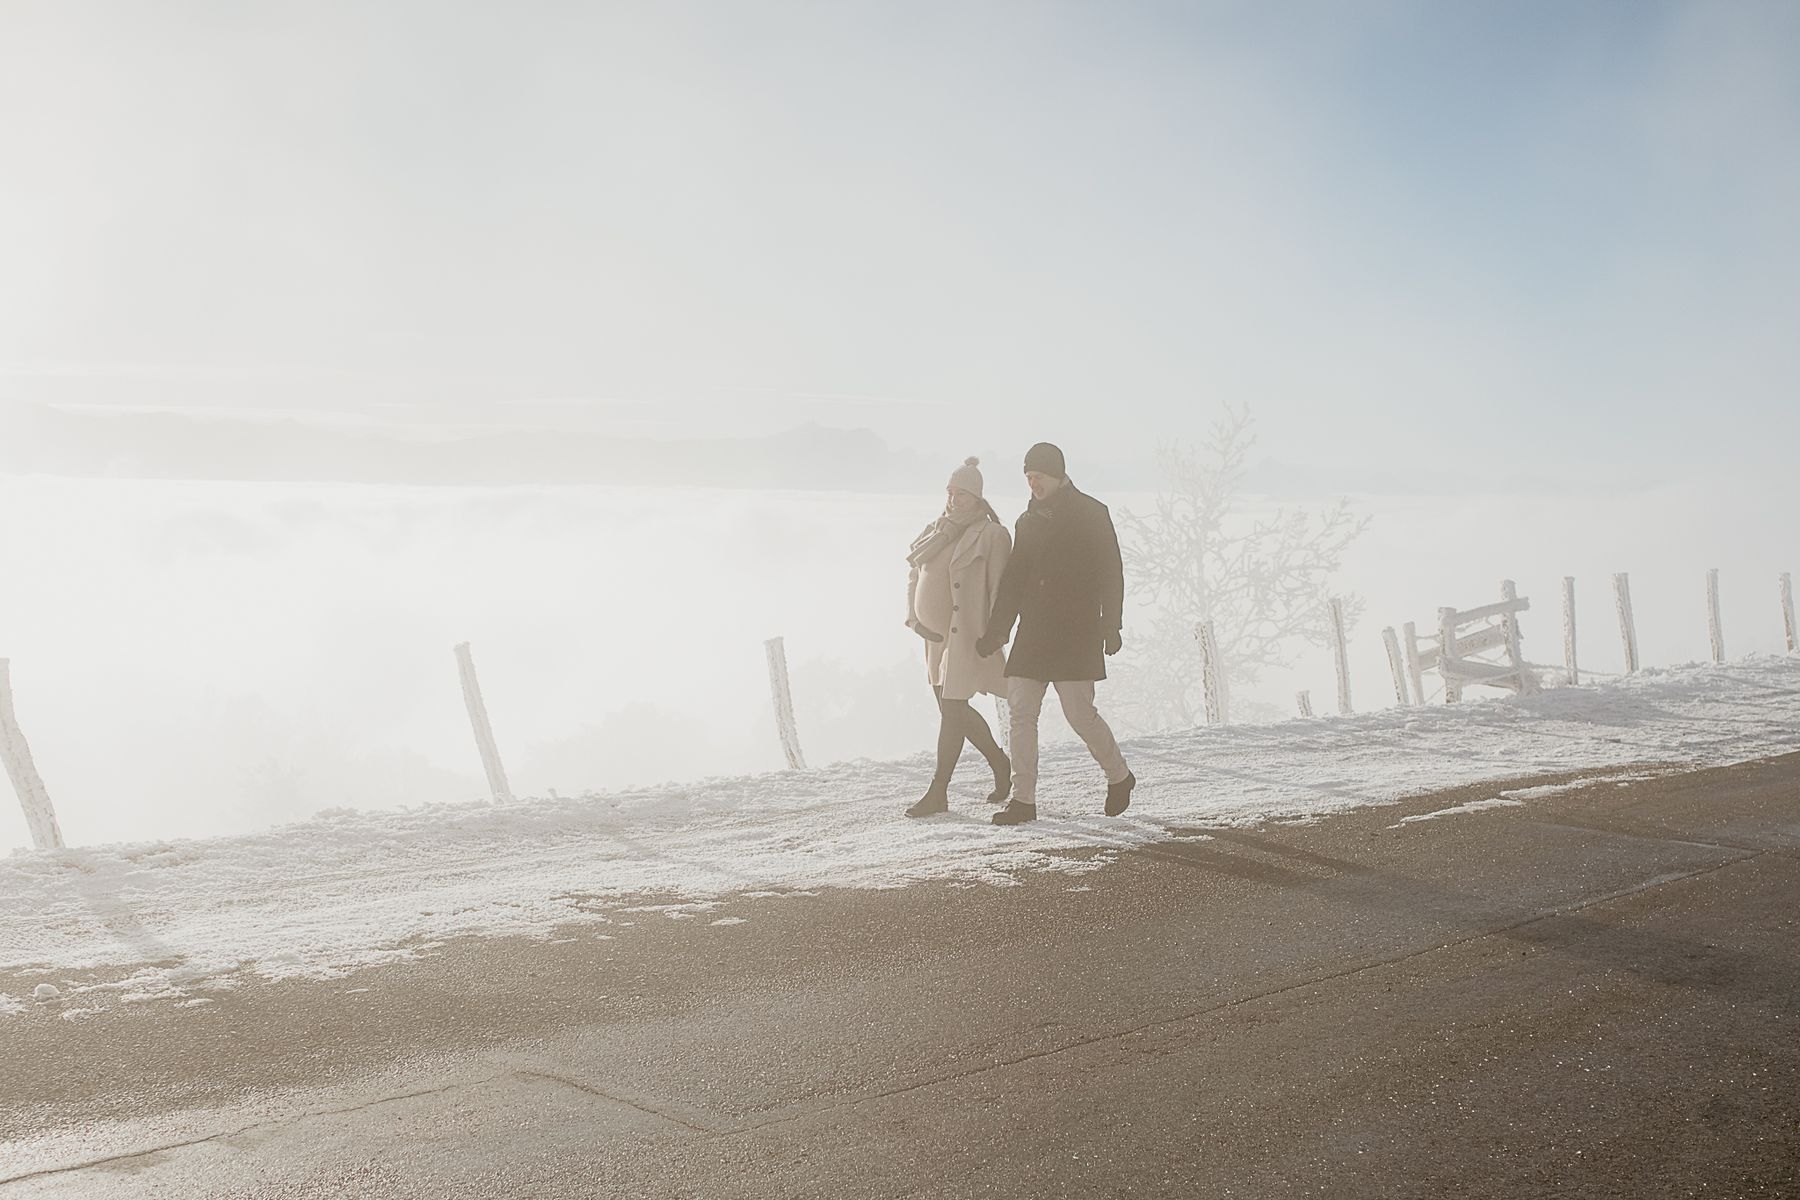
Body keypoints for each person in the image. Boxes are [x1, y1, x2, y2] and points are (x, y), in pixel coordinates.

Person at [976, 442, 1134, 824]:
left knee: (1079, 713)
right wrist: (999, 630)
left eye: (1039, 477)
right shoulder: (1026, 521)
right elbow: (1014, 581)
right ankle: (1023, 800)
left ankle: (1119, 776)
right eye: (1028, 478)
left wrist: (1110, 624)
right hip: (1034, 631)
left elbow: (1111, 571)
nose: (1033, 484)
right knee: (1021, 712)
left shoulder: (1092, 513)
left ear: (1058, 474)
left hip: (1076, 631)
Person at [902, 457, 1013, 818]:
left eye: (961, 494)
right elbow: (915, 575)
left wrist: (995, 635)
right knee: (951, 710)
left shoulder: (992, 534)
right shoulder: (936, 529)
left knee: (952, 708)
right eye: (950, 492)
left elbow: (1000, 588)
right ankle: (999, 763)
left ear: (977, 497)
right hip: (932, 638)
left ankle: (938, 792)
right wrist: (913, 619)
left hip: (965, 636)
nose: (953, 500)